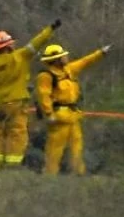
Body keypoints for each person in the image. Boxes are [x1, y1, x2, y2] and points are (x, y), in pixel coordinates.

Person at [0, 20, 60, 169]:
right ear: (9, 45)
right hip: (17, 103)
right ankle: (12, 166)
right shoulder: (21, 56)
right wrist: (51, 29)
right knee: (16, 133)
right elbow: (37, 42)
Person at [35, 42, 111, 175]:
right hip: (59, 117)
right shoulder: (46, 76)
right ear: (56, 60)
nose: (66, 57)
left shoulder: (69, 70)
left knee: (77, 147)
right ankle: (49, 175)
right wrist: (49, 114)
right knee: (55, 149)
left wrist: (101, 53)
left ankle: (78, 173)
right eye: (63, 56)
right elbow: (44, 96)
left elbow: (85, 61)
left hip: (73, 115)